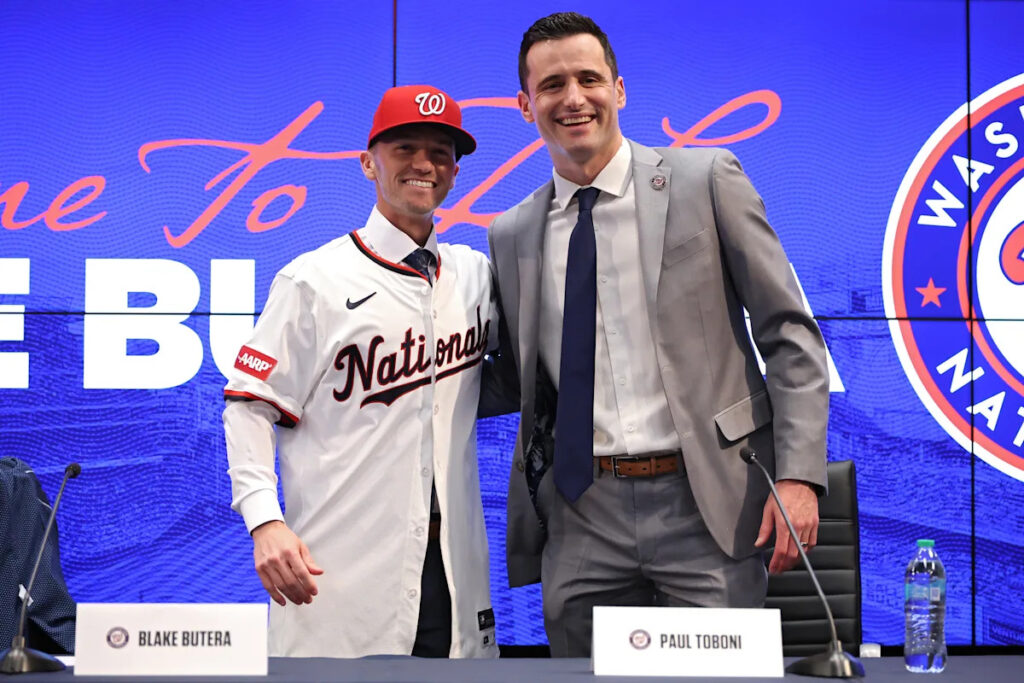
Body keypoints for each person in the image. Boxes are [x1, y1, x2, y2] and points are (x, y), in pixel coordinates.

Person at [487, 12, 830, 657]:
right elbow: (514, 376)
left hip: (708, 504)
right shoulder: (510, 233)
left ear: (619, 89)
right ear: (525, 104)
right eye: (552, 84)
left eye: (589, 79)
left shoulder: (706, 180)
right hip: (582, 510)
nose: (573, 98)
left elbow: (789, 332)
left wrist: (800, 477)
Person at [222, 85, 498, 659]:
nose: (424, 163)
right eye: (405, 148)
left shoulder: (476, 276)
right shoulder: (314, 280)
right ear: (369, 162)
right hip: (340, 567)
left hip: (451, 565)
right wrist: (264, 522)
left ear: (453, 173)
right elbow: (248, 405)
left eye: (441, 152)